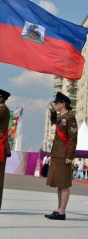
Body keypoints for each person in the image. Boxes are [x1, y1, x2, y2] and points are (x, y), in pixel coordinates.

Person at [45, 92, 78, 220]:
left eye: (57, 103)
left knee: (64, 184)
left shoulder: (70, 118)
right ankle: (59, 209)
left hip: (64, 155)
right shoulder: (61, 117)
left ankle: (62, 212)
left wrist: (70, 155)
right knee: (59, 184)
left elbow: (72, 139)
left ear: (63, 103)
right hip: (57, 154)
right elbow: (53, 121)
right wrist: (53, 111)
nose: (55, 104)